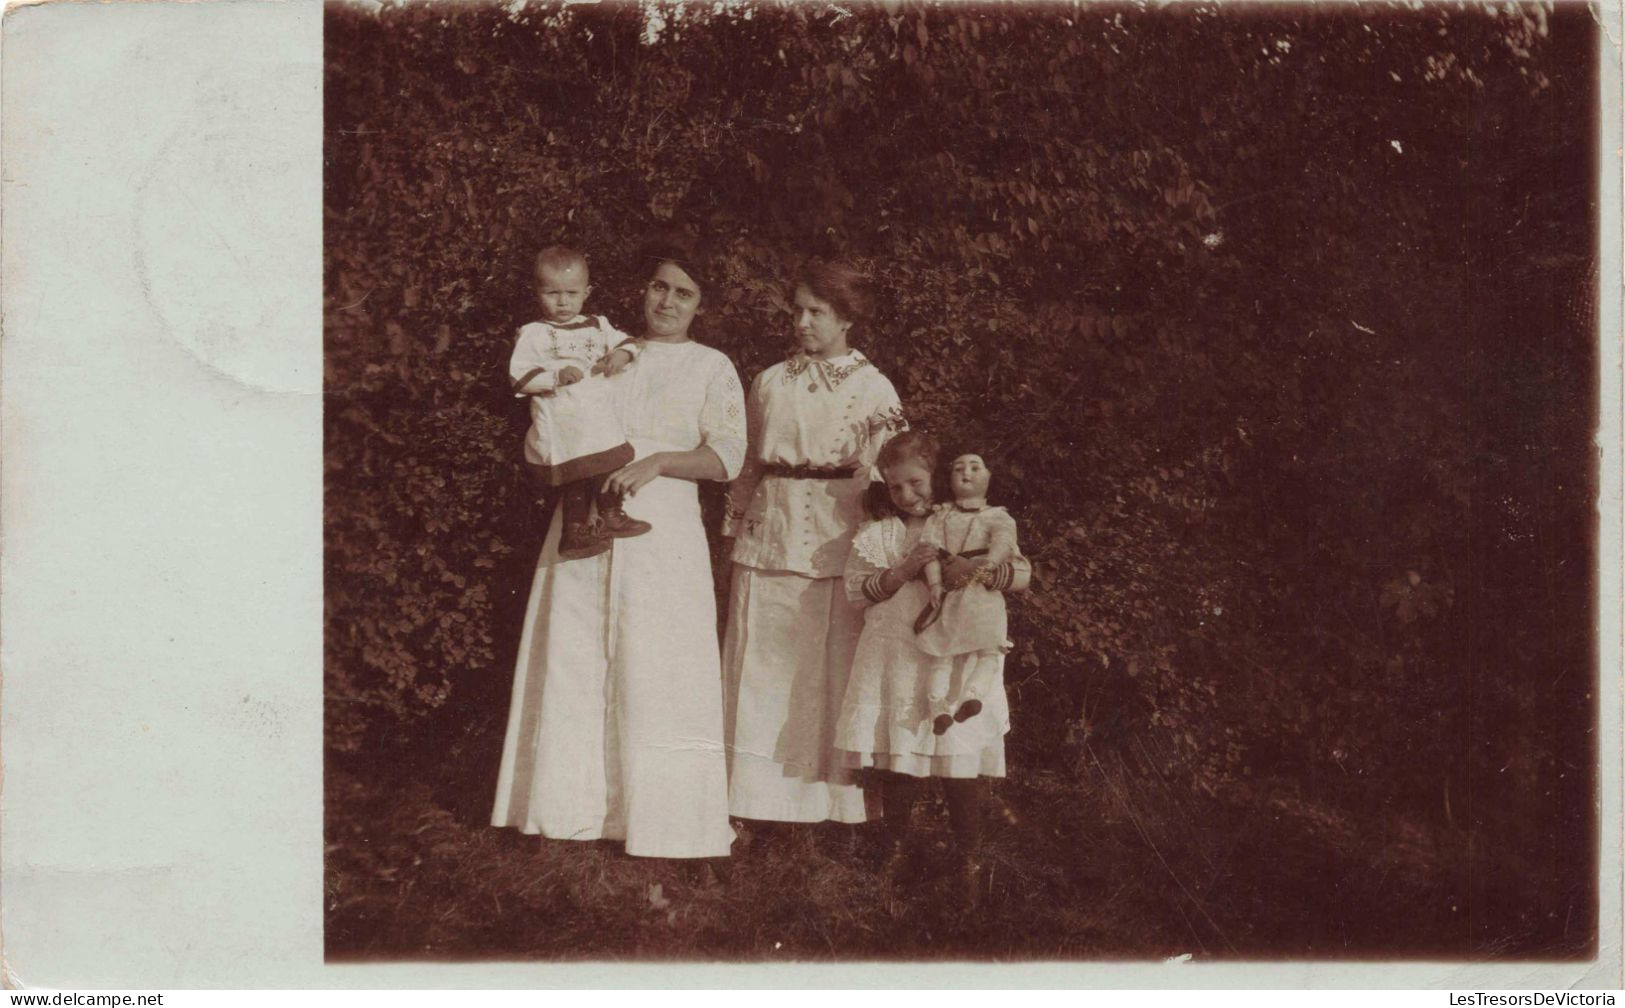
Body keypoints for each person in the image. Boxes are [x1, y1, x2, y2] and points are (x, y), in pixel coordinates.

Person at [492, 242, 745, 859]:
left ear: (700, 305)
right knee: (575, 654)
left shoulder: (712, 365)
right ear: (642, 290)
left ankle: (665, 821)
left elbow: (727, 456)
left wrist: (657, 462)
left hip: (664, 520)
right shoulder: (603, 349)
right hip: (582, 512)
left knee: (659, 663)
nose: (667, 301)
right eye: (660, 287)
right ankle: (567, 811)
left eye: (683, 293)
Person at [720, 260, 907, 826]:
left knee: (828, 672)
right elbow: (748, 462)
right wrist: (731, 527)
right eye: (797, 310)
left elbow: (891, 472)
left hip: (837, 536)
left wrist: (883, 541)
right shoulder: (770, 381)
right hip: (769, 533)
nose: (801, 321)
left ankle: (831, 806)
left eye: (816, 312)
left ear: (846, 318)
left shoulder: (874, 387)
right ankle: (746, 805)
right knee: (761, 668)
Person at [833, 432, 1031, 905]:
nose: (908, 495)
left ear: (936, 477)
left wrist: (978, 571)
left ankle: (970, 861)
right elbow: (857, 592)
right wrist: (903, 570)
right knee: (902, 757)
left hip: (956, 653)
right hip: (897, 654)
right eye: (896, 487)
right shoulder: (881, 534)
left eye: (916, 483)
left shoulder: (971, 522)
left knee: (957, 758)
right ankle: (894, 855)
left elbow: (1021, 572)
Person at [509, 245, 650, 560]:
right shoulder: (535, 334)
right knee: (577, 478)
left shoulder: (597, 325)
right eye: (552, 293)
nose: (562, 302)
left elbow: (630, 342)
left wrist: (621, 354)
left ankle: (612, 515)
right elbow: (519, 378)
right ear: (538, 293)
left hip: (597, 416)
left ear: (587, 292)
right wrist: (555, 376)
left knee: (608, 463)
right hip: (564, 421)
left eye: (571, 293)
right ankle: (574, 532)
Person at [914, 452, 1022, 735]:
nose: (967, 473)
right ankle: (938, 708)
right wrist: (935, 584)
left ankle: (972, 696)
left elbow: (1004, 543)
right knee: (942, 653)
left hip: (983, 593)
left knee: (989, 651)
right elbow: (929, 550)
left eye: (976, 467)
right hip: (951, 593)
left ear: (989, 476)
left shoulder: (997, 516)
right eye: (958, 468)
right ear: (949, 479)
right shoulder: (940, 516)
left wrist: (985, 566)